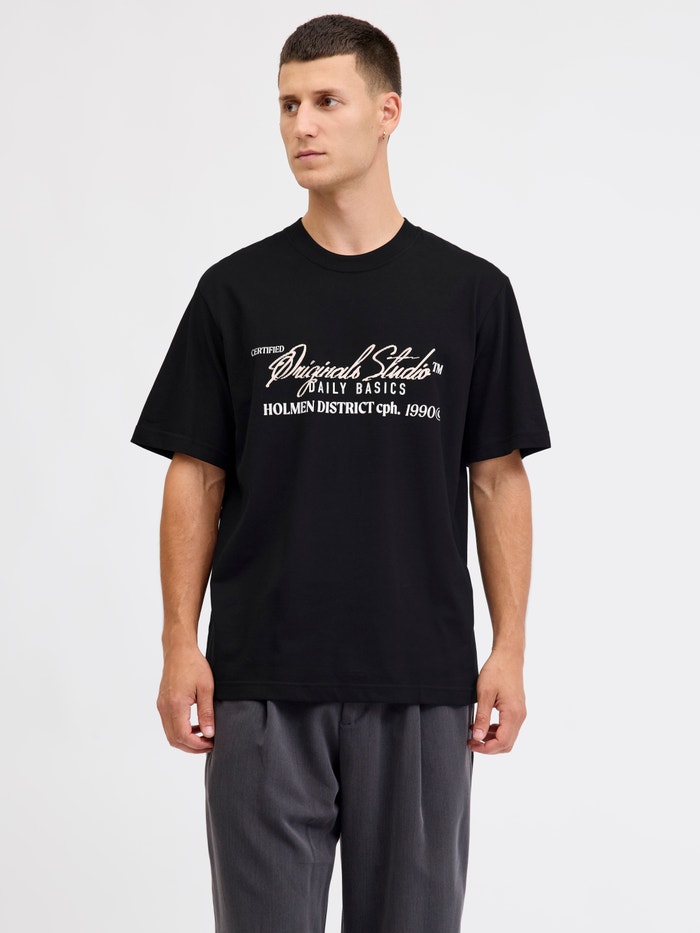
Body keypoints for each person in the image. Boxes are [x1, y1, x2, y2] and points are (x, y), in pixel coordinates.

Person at [131, 13, 550, 933]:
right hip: (261, 682)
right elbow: (195, 475)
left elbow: (497, 478)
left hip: (422, 681)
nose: (302, 126)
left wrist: (509, 648)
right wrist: (179, 641)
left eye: (327, 101)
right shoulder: (234, 293)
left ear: (388, 112)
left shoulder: (470, 294)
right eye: (288, 105)